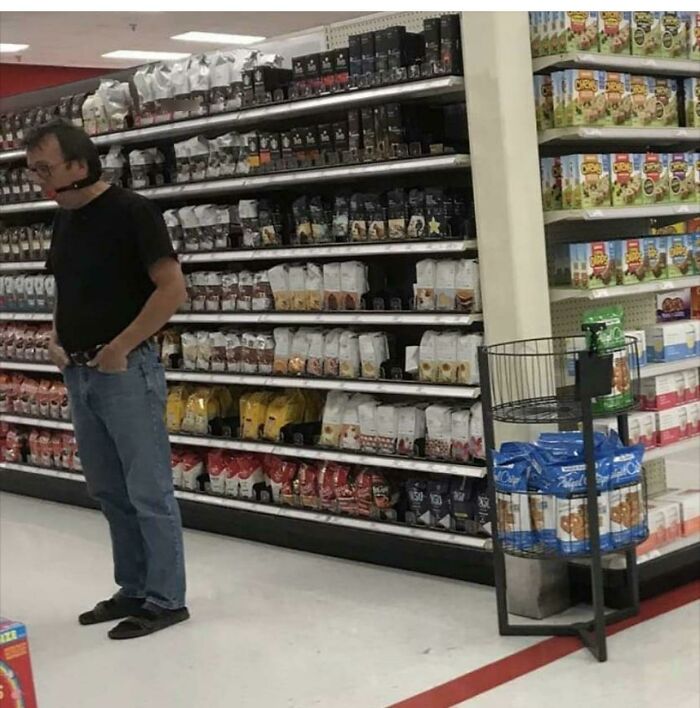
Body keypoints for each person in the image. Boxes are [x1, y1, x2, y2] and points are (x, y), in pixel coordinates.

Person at [24, 119, 189, 640]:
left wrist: (122, 345)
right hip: (78, 372)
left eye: (46, 169)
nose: (40, 182)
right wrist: (54, 336)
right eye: (33, 171)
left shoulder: (133, 212)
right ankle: (134, 588)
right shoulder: (65, 219)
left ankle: (166, 600)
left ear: (79, 164)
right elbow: (64, 290)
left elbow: (171, 290)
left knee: (148, 490)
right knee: (108, 489)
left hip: (125, 372)